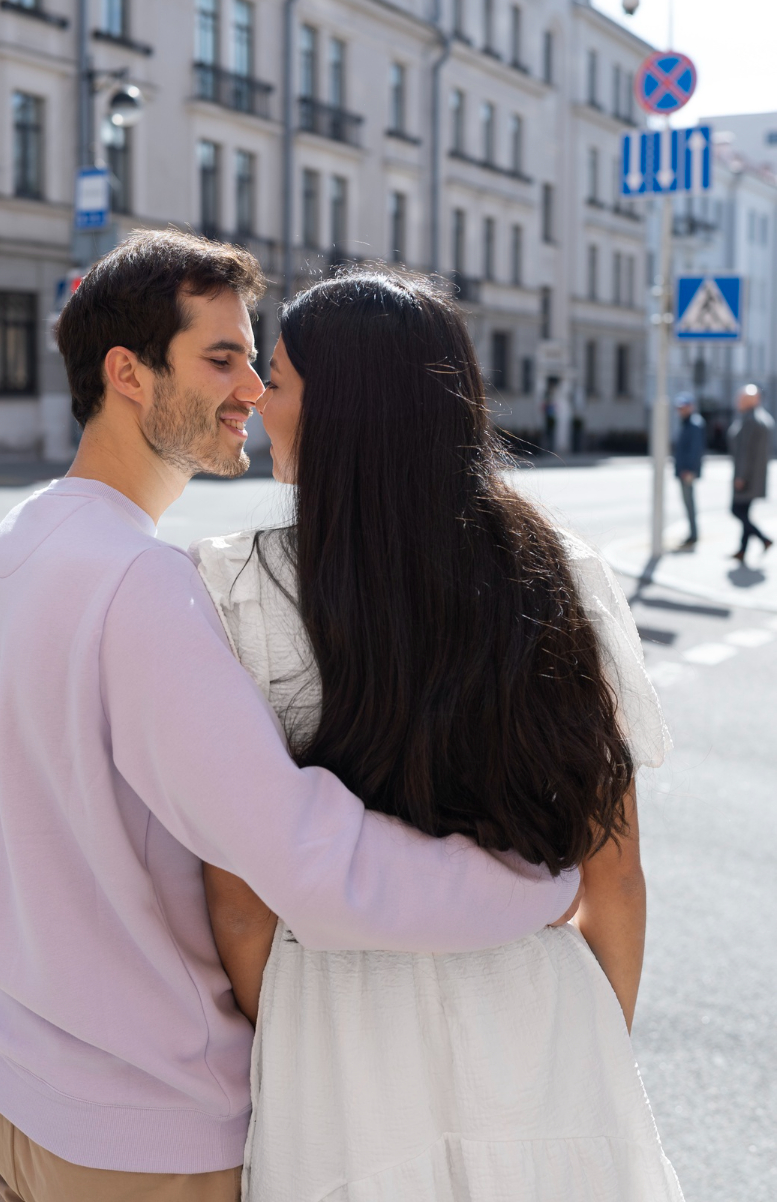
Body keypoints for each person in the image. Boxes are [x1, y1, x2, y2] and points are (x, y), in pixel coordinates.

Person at [0, 232, 579, 1202]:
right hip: (144, 1138)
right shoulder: (139, 586)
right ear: (128, 375)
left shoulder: (4, 552)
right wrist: (531, 886)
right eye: (221, 358)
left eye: (255, 359)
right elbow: (303, 864)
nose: (252, 389)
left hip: (12, 1099)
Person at [195, 270, 683, 1202]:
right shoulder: (559, 571)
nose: (254, 396)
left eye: (281, 378)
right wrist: (589, 1037)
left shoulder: (234, 587)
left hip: (333, 1024)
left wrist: (298, 1031)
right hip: (541, 1014)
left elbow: (238, 897)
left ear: (345, 410)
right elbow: (612, 869)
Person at [728, 383, 774, 562]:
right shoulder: (762, 418)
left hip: (746, 477)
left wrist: (741, 476)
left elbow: (745, 451)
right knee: (744, 512)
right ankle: (742, 550)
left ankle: (764, 538)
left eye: (741, 398)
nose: (737, 401)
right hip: (756, 477)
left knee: (736, 510)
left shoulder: (750, 420)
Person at [673, 392, 705, 551]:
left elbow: (695, 450)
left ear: (690, 407)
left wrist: (690, 470)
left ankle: (693, 534)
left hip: (687, 472)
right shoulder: (687, 423)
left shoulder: (694, 424)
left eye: (683, 407)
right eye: (679, 408)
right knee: (687, 503)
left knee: (689, 503)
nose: (681, 410)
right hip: (683, 470)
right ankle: (692, 533)